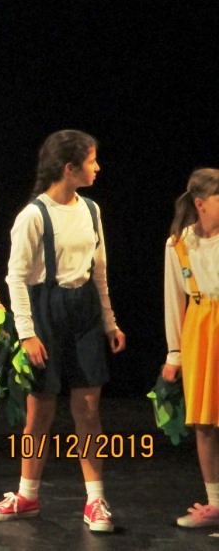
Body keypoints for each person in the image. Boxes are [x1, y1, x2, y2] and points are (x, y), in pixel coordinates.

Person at [0, 130, 124, 532]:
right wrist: (27, 333)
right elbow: (15, 277)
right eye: (91, 161)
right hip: (45, 310)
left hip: (84, 311)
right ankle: (27, 495)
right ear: (69, 168)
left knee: (89, 409)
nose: (97, 168)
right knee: (40, 412)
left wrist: (110, 321)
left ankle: (95, 500)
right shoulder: (33, 215)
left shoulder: (91, 210)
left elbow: (99, 271)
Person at [161, 168, 219, 529]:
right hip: (200, 331)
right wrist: (175, 354)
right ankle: (215, 503)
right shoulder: (179, 244)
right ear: (201, 204)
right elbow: (174, 301)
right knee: (204, 421)